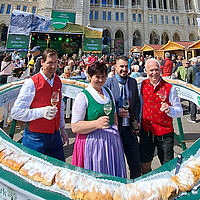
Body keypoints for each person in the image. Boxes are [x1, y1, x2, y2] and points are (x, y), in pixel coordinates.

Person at [11, 48, 69, 162]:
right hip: (35, 138)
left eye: (55, 62)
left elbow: (60, 106)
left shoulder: (57, 80)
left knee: (59, 170)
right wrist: (41, 112)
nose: (53, 66)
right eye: (50, 63)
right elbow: (16, 112)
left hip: (55, 136)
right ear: (42, 62)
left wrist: (62, 128)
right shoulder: (31, 83)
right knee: (33, 173)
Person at [71, 61, 126, 178]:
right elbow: (75, 127)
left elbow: (114, 113)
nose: (101, 80)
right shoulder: (83, 96)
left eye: (103, 76)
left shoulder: (108, 92)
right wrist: (96, 124)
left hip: (111, 143)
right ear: (89, 77)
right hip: (92, 144)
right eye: (97, 77)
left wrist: (116, 131)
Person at [140, 58, 183, 174]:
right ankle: (149, 185)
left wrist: (170, 109)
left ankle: (166, 188)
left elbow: (180, 111)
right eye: (151, 70)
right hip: (146, 132)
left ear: (161, 70)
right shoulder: (142, 85)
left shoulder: (170, 88)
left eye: (156, 70)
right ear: (146, 71)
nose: (154, 73)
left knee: (167, 167)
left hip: (164, 134)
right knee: (144, 164)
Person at [104, 55, 141, 179]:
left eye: (126, 66)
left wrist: (137, 121)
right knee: (115, 164)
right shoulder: (108, 83)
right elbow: (105, 105)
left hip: (129, 130)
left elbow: (136, 104)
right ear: (115, 67)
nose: (124, 69)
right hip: (115, 129)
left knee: (135, 164)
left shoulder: (132, 82)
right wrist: (116, 111)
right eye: (121, 66)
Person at [187, 57, 199, 123]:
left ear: (193, 62)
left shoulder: (191, 68)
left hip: (194, 86)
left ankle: (193, 118)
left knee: (193, 102)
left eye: (191, 61)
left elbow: (189, 78)